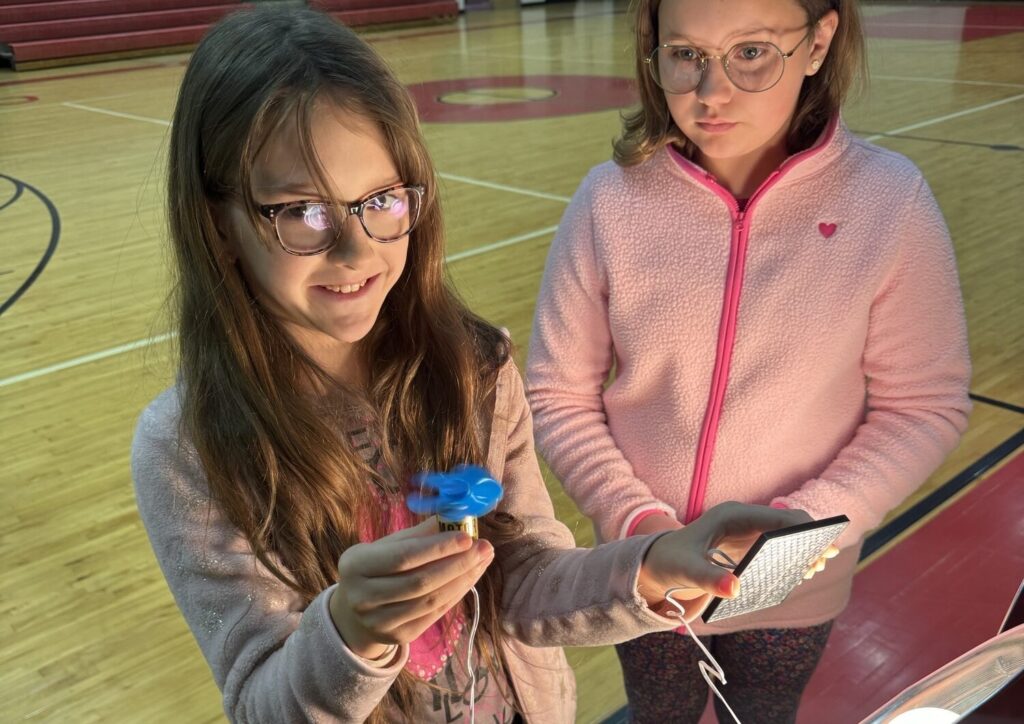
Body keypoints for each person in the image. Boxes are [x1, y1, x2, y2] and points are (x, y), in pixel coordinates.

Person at [130, 6, 827, 723]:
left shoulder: (472, 367)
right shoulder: (187, 448)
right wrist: (350, 636)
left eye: (382, 200)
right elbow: (261, 704)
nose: (357, 251)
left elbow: (520, 576)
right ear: (219, 223)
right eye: (302, 211)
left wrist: (652, 565)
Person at [525, 0, 972, 721]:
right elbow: (555, 392)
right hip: (645, 576)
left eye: (753, 53)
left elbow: (924, 405)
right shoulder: (608, 202)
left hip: (792, 591)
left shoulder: (890, 202)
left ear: (820, 39)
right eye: (685, 55)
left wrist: (805, 527)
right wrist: (638, 526)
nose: (711, 92)